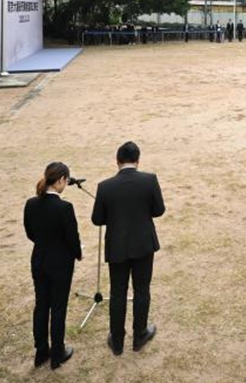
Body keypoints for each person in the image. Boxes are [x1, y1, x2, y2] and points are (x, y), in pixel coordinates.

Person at [92, 142, 165, 355]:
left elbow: (97, 219)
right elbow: (158, 210)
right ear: (138, 160)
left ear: (117, 161)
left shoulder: (105, 186)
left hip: (117, 246)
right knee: (142, 289)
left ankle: (117, 340)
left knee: (117, 292)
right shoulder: (149, 180)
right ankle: (139, 334)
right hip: (143, 244)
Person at [24, 161, 82, 369]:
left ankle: (41, 351)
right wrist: (77, 253)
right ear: (60, 180)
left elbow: (30, 233)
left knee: (41, 305)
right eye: (66, 180)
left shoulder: (31, 203)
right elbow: (72, 238)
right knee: (58, 308)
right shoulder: (64, 208)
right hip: (60, 264)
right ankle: (57, 352)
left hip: (39, 260)